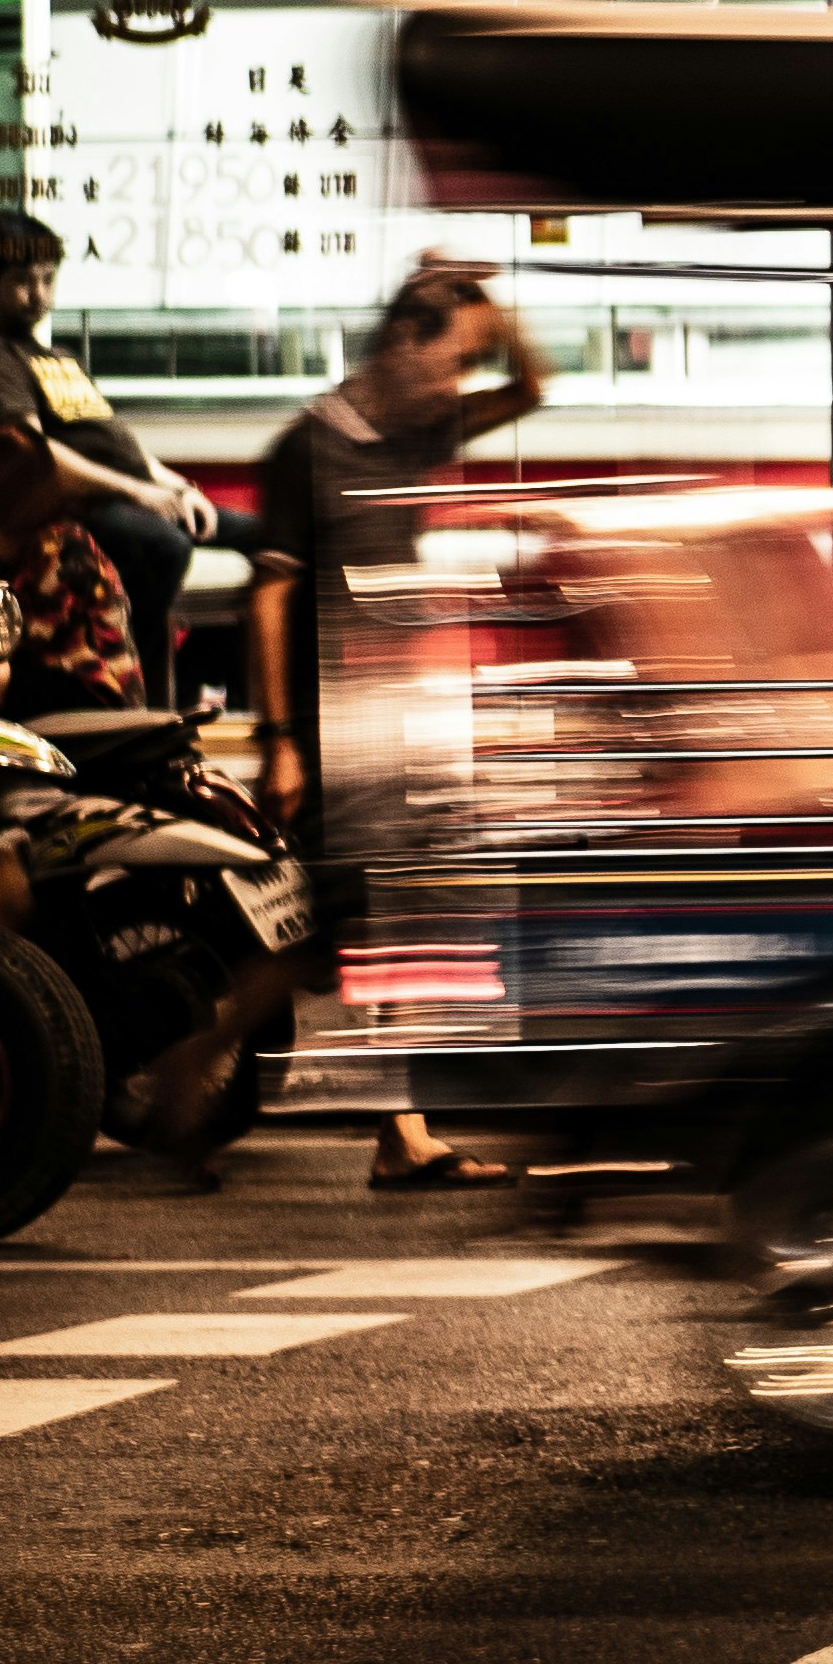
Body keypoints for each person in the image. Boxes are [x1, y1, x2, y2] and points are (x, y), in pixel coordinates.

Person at [245, 260, 549, 1191]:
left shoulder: (414, 434)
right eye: (449, 362)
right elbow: (270, 591)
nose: (456, 387)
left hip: (398, 714)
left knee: (386, 920)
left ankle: (391, 1127)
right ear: (400, 343)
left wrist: (492, 309)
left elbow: (536, 388)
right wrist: (279, 739)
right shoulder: (310, 444)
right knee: (357, 932)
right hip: (331, 721)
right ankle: (383, 1126)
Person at [0, 211, 208, 700]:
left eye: (47, 279)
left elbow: (118, 437)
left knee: (268, 534)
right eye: (21, 282)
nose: (38, 294)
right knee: (168, 547)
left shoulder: (64, 359)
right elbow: (38, 456)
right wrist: (139, 491)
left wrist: (174, 484)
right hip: (89, 503)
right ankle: (139, 690)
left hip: (135, 490)